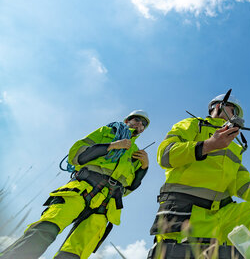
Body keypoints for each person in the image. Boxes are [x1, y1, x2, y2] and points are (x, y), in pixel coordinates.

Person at [148, 93, 250, 259]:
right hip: (185, 211)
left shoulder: (234, 146)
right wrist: (208, 145)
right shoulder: (193, 125)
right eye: (234, 111)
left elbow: (241, 183)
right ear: (218, 107)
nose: (236, 117)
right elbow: (165, 155)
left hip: (223, 214)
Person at [0, 110, 151, 259]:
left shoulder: (136, 153)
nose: (140, 124)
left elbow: (127, 189)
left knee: (75, 252)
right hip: (80, 190)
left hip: (106, 205)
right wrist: (112, 146)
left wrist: (144, 168)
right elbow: (76, 155)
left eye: (143, 124)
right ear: (127, 121)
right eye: (137, 119)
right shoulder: (106, 132)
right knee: (47, 228)